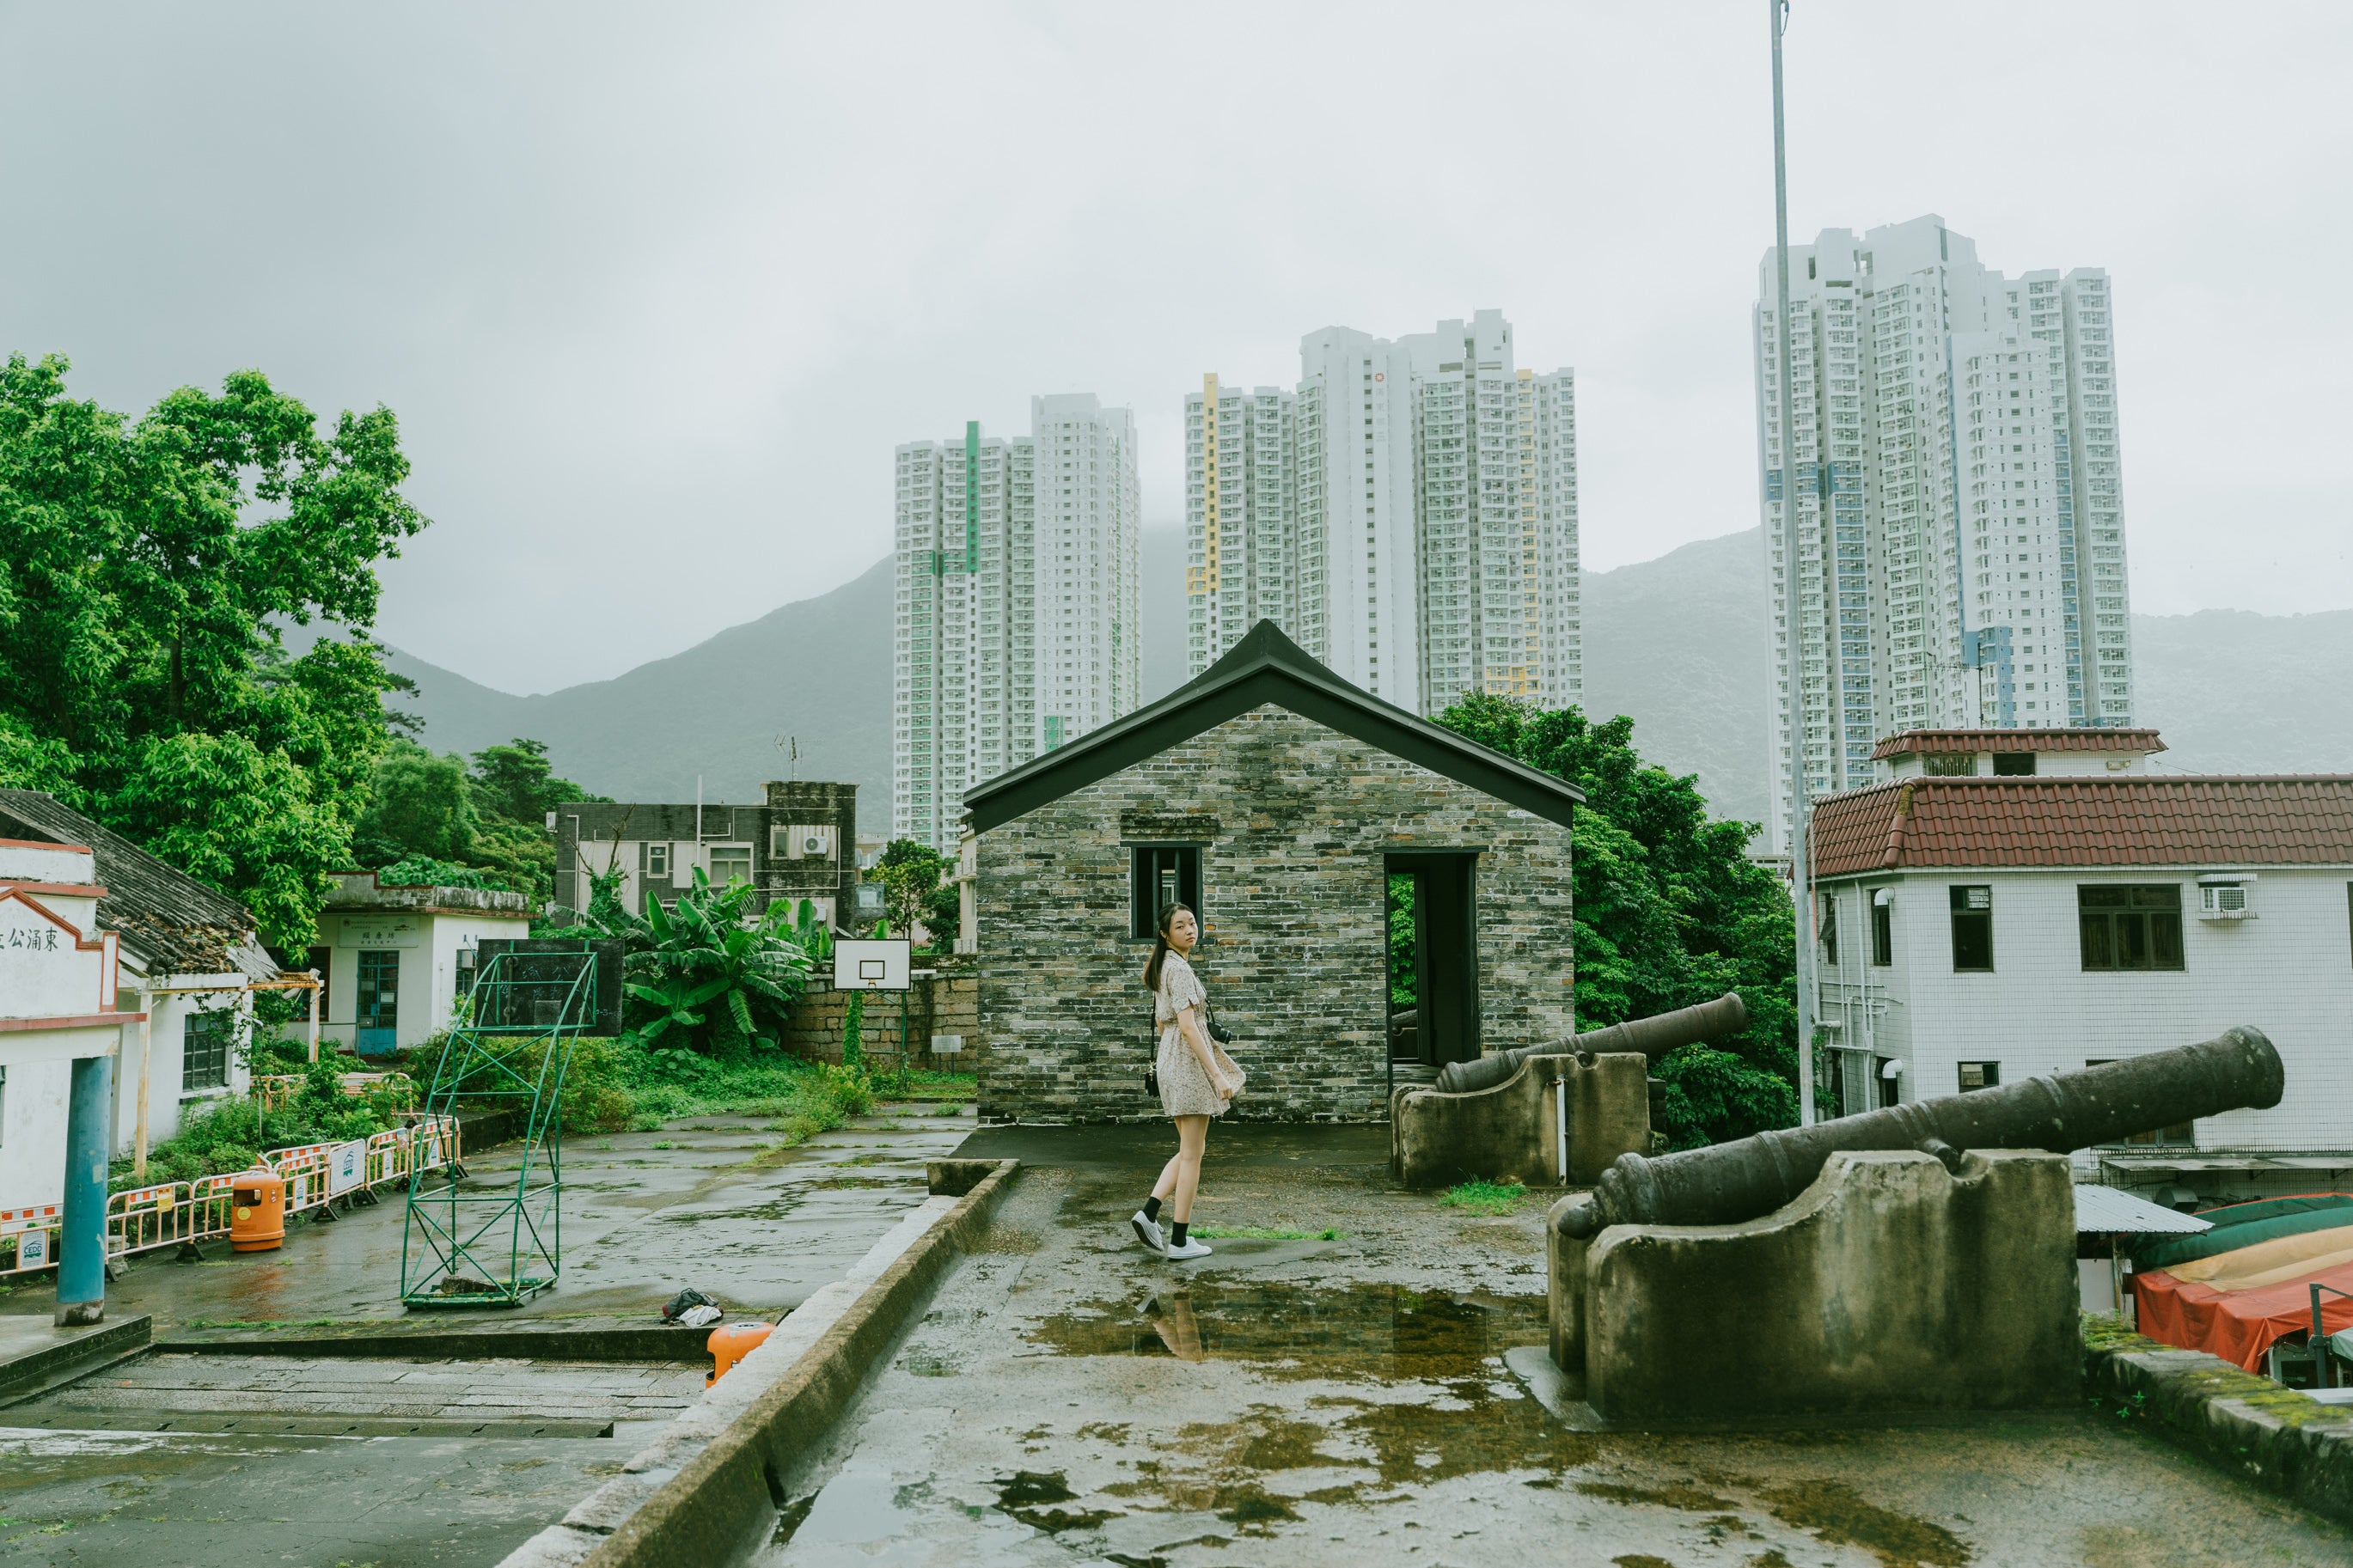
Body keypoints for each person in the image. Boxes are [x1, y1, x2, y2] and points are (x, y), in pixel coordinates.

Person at [1130, 901, 1243, 1260]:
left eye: (1192, 923)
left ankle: (1148, 1214)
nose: (1189, 930)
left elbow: (1163, 1025)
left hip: (1171, 1057)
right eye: (1180, 926)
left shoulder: (1164, 966)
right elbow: (1189, 1026)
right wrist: (1217, 1074)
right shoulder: (1177, 970)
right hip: (1186, 1062)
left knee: (1188, 1149)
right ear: (1166, 934)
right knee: (1194, 1154)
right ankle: (1179, 1241)